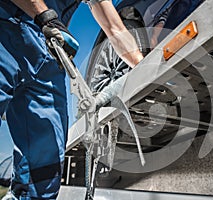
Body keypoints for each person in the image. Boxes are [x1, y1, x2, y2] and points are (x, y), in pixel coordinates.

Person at [0, 0, 143, 199]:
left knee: (43, 173)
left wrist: (145, 67)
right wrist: (44, 16)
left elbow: (114, 27)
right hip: (8, 28)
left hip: (49, 56)